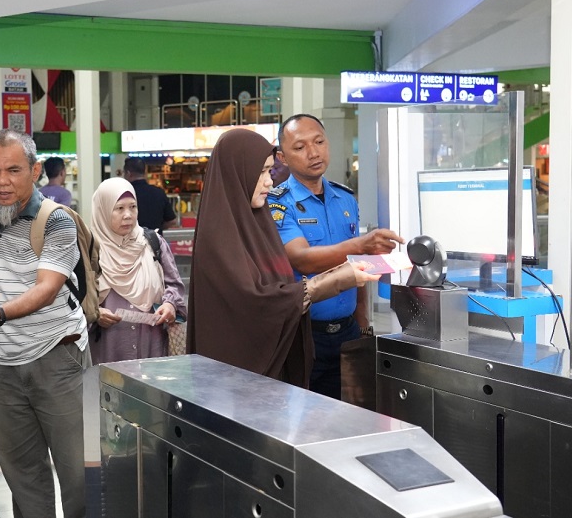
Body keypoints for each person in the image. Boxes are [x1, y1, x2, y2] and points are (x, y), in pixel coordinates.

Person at [0, 128, 89, 518]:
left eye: (13, 170)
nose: (1, 181)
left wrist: (0, 312)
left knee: (78, 474)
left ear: (35, 170)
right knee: (22, 472)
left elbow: (46, 287)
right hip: (7, 364)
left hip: (59, 360)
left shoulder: (55, 221)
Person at [187, 128, 379, 388]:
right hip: (235, 380)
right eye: (261, 172)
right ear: (237, 174)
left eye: (269, 171)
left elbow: (279, 285)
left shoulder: (258, 223)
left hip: (276, 363)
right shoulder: (219, 235)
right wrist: (338, 279)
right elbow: (255, 302)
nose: (269, 182)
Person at [270, 114, 404, 399]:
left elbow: (357, 267)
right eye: (300, 147)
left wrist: (364, 326)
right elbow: (302, 259)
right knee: (305, 419)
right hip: (304, 334)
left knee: (350, 416)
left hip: (348, 332)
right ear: (282, 156)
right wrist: (361, 244)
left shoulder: (345, 199)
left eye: (319, 142)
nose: (314, 152)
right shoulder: (278, 203)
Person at [89, 177, 187, 363]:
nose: (128, 215)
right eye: (119, 208)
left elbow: (174, 285)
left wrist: (170, 305)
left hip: (152, 344)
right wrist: (95, 313)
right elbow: (76, 300)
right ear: (103, 210)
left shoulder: (152, 243)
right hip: (110, 347)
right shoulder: (90, 250)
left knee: (151, 391)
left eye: (133, 207)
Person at [123, 157, 176, 231]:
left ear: (128, 173)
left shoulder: (124, 195)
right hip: (154, 239)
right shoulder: (159, 192)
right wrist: (158, 228)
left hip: (131, 240)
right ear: (144, 173)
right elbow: (172, 221)